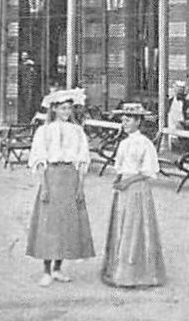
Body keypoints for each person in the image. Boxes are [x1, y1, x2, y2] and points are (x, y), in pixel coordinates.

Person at [26, 88, 94, 287]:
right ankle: (46, 270)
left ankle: (58, 268)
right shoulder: (44, 131)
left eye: (69, 109)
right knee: (50, 225)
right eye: (63, 108)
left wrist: (80, 187)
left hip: (70, 177)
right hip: (52, 177)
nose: (66, 112)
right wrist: (44, 186)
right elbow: (39, 159)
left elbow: (82, 160)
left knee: (66, 224)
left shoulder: (77, 131)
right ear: (54, 109)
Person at [101, 104, 165, 288]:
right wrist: (119, 179)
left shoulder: (145, 143)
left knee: (135, 227)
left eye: (128, 120)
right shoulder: (123, 143)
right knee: (121, 226)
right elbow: (120, 166)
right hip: (124, 188)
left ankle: (138, 273)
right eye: (123, 120)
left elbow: (148, 171)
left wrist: (127, 182)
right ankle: (118, 270)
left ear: (138, 121)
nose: (124, 123)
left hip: (137, 187)